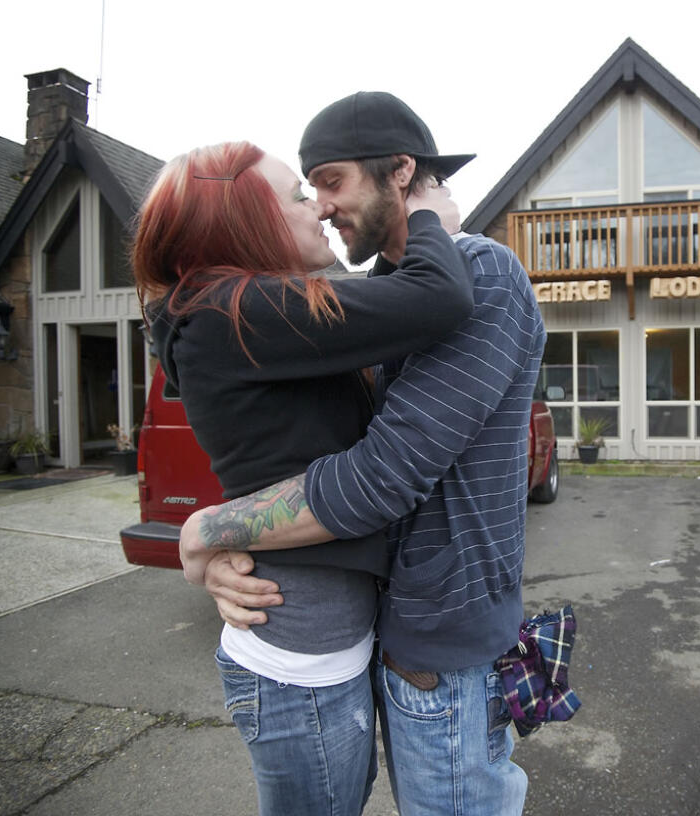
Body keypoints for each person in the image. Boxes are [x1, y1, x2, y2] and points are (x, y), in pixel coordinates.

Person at [179, 91, 544, 816]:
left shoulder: (484, 275)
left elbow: (381, 479)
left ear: (401, 172)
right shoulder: (377, 296)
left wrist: (210, 528)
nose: (320, 204)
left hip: (443, 657)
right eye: (308, 186)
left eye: (332, 179)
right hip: (382, 641)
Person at [132, 139, 474, 815]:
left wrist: (205, 531)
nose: (318, 208)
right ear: (241, 220)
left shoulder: (249, 316)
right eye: (296, 194)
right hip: (300, 666)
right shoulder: (232, 311)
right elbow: (437, 298)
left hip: (322, 651)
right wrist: (426, 215)